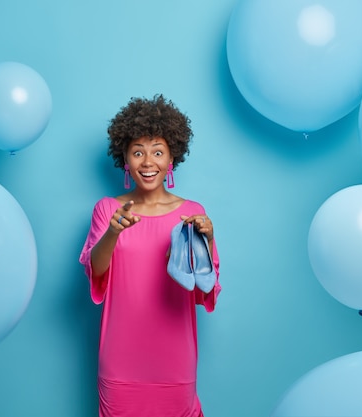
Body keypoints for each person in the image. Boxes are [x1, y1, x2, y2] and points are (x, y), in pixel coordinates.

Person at [79, 94, 221, 417]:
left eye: (157, 152)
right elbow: (96, 271)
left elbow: (206, 285)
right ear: (125, 159)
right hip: (121, 359)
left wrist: (209, 241)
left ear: (171, 159)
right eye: (138, 152)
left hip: (175, 360)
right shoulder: (108, 209)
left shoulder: (192, 213)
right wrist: (113, 232)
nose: (147, 162)